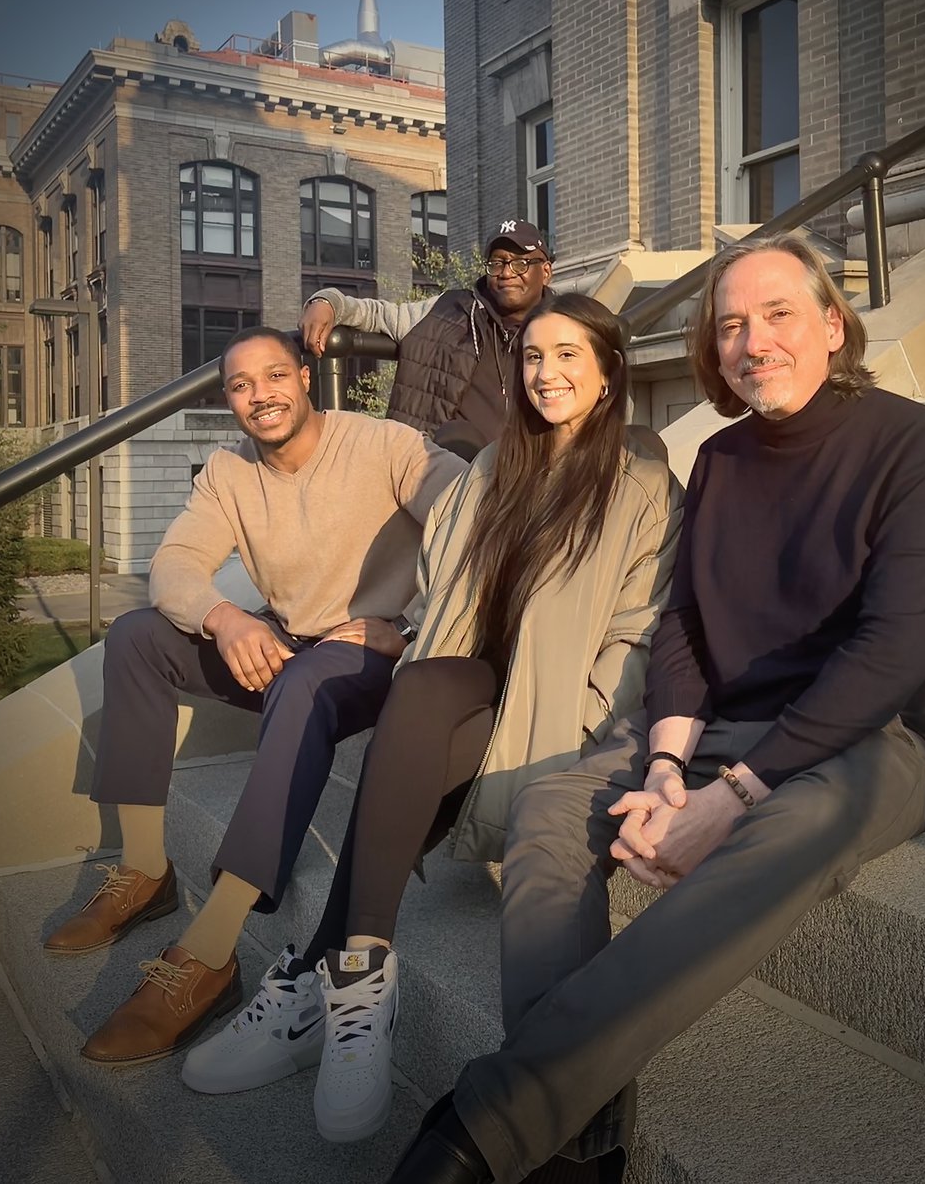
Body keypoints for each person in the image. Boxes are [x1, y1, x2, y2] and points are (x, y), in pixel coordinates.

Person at [383, 235, 925, 1183]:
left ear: (832, 326)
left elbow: (893, 653)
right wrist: (664, 766)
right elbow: (688, 625)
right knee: (548, 807)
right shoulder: (724, 457)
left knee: (798, 827)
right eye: (730, 323)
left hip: (876, 740)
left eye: (778, 315)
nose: (753, 341)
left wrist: (731, 795)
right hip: (727, 730)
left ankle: (490, 1121)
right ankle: (581, 1146)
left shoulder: (914, 445)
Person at [180, 293, 683, 1150]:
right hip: (464, 687)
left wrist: (574, 729)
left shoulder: (645, 489)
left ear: (607, 375)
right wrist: (399, 632)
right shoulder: (491, 468)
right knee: (416, 696)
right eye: (532, 357)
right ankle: (365, 983)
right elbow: (444, 594)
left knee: (407, 746)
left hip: (549, 710)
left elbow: (637, 638)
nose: (546, 373)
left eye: (569, 356)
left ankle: (313, 978)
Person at [43, 327, 465, 1068]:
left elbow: (478, 520)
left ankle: (209, 954)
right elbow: (174, 563)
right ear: (230, 399)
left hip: (372, 659)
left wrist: (415, 624)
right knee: (139, 635)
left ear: (305, 378)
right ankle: (146, 869)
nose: (260, 395)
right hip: (290, 645)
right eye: (241, 385)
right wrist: (224, 616)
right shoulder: (230, 473)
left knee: (303, 681)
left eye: (274, 376)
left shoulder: (385, 445)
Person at [299, 220, 555, 458]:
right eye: (497, 263)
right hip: (450, 479)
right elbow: (376, 314)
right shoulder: (448, 311)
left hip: (538, 478)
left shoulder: (567, 326)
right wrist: (326, 302)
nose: (507, 272)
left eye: (520, 263)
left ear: (545, 272)